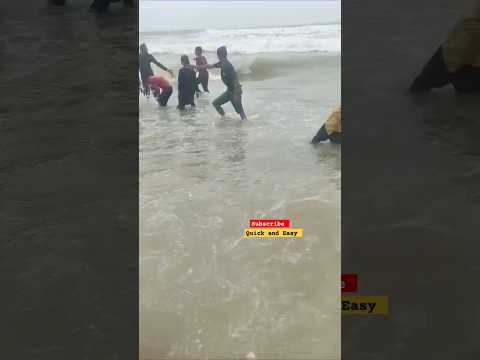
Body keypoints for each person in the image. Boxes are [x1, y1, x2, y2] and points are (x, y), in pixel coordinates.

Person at [203, 46, 247, 120]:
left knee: (241, 112)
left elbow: (235, 78)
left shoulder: (227, 65)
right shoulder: (223, 63)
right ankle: (225, 119)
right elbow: (212, 66)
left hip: (235, 91)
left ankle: (246, 127)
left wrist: (236, 94)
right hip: (230, 91)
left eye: (218, 54)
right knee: (216, 103)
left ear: (219, 55)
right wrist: (200, 67)